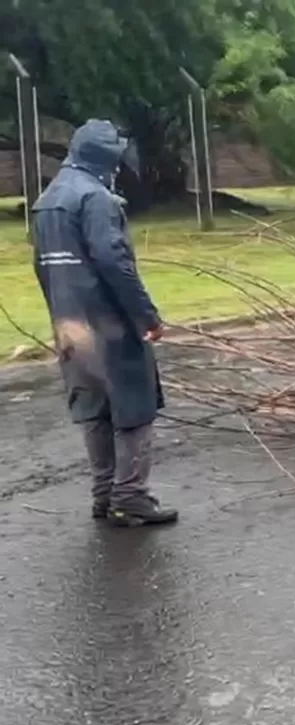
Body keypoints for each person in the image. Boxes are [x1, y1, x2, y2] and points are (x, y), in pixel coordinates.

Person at [31, 119, 177, 528]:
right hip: (109, 324)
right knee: (134, 406)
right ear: (108, 159)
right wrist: (146, 316)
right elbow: (114, 263)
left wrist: (60, 318)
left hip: (69, 325)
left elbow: (41, 266)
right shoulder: (96, 198)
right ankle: (129, 496)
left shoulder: (48, 200)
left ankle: (103, 495)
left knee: (93, 406)